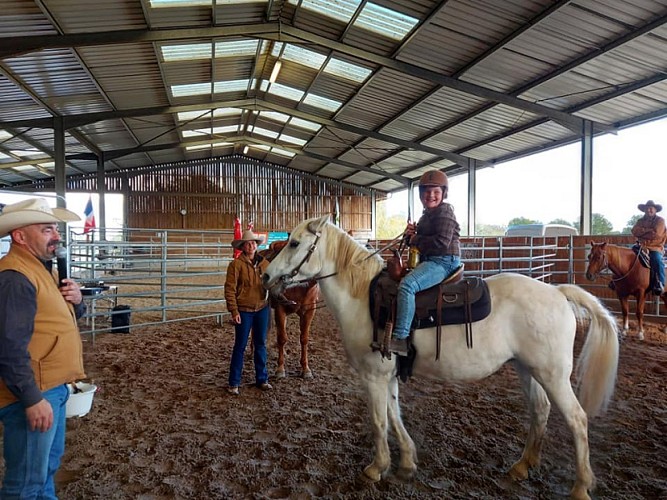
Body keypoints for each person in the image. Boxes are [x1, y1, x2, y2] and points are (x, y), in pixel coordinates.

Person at [0, 198, 86, 498]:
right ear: (20, 236)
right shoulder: (15, 278)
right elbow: (8, 347)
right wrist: (31, 398)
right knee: (24, 483)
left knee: (45, 471)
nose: (57, 236)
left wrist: (78, 301)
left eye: (56, 229)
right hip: (33, 393)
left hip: (52, 387)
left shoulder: (42, 270)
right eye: (47, 229)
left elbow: (56, 320)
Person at [390, 170, 462, 356]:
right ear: (421, 194)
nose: (431, 195)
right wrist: (409, 236)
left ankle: (401, 339)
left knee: (407, 286)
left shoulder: (444, 213)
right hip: (430, 260)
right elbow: (415, 241)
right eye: (426, 192)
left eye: (435, 191)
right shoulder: (426, 216)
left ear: (443, 193)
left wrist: (415, 239)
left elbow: (441, 243)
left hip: (444, 262)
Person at [224, 229, 272, 395]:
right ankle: (234, 382)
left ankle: (262, 379)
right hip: (244, 310)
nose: (251, 245)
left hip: (262, 308)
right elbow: (230, 289)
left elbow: (271, 282)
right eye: (248, 243)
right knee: (240, 346)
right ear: (243, 247)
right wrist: (234, 310)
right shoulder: (236, 265)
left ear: (256, 245)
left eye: (253, 243)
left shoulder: (264, 264)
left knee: (260, 344)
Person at [631, 199, 667, 295]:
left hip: (655, 247)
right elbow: (634, 231)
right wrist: (649, 231)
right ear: (644, 210)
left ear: (655, 210)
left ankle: (660, 283)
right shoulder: (640, 221)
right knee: (628, 256)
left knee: (657, 259)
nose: (649, 210)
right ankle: (621, 280)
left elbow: (657, 235)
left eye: (651, 208)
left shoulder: (660, 221)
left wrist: (642, 232)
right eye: (647, 209)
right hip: (641, 246)